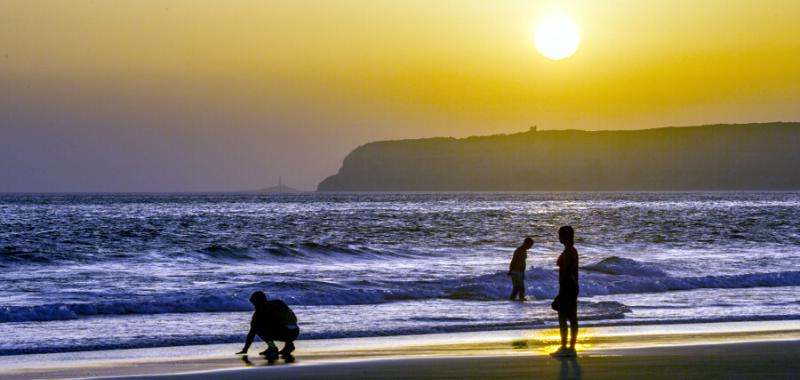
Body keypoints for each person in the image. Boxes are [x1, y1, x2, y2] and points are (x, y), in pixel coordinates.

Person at [235, 291, 299, 361]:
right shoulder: (278, 302)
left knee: (259, 328)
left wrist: (245, 349)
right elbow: (291, 318)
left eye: (254, 303)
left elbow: (252, 333)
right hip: (295, 332)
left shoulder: (260, 313)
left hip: (285, 333)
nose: (254, 306)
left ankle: (272, 347)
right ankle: (289, 344)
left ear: (259, 302)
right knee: (279, 322)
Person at [551, 226, 579, 358]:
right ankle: (569, 347)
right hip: (569, 288)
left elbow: (568, 273)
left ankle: (568, 347)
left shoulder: (569, 252)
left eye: (560, 235)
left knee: (566, 317)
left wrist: (564, 293)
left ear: (564, 237)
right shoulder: (571, 250)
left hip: (568, 288)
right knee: (569, 317)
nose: (558, 237)